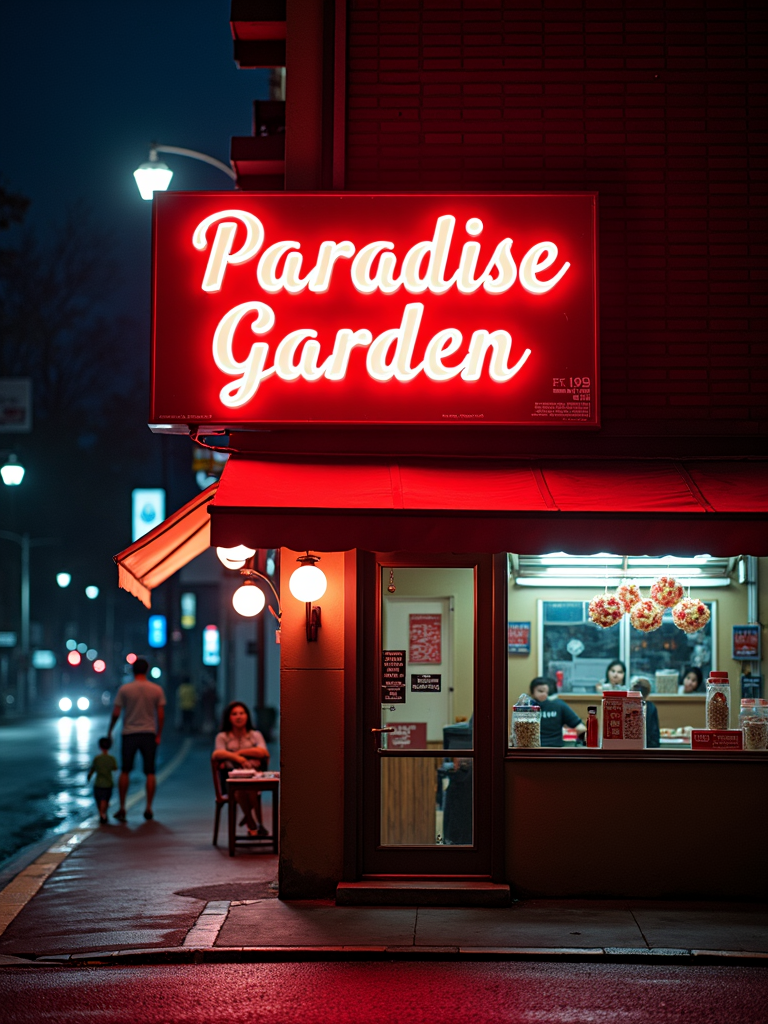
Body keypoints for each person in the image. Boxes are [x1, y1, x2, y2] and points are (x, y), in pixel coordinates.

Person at [108, 658, 166, 822]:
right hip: (148, 733)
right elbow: (160, 715)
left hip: (129, 733)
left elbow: (116, 713)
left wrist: (110, 731)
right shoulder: (156, 689)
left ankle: (122, 807)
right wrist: (159, 734)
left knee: (125, 770)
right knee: (150, 772)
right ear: (147, 670)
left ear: (133, 670)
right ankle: (148, 807)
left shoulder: (125, 689)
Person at [212, 702, 270, 836]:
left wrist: (237, 753)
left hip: (254, 779)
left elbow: (263, 752)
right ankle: (253, 822)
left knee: (250, 788)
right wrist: (240, 759)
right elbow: (217, 754)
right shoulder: (222, 737)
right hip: (230, 781)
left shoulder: (255, 735)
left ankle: (253, 823)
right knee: (239, 790)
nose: (239, 717)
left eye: (241, 713)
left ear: (247, 716)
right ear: (228, 718)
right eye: (234, 714)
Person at [530, 677, 586, 747]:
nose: (544, 694)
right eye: (541, 691)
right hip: (551, 750)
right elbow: (581, 728)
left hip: (537, 750)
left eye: (547, 692)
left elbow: (580, 728)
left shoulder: (524, 707)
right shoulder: (559, 704)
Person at [87, 736, 118, 824]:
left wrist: (88, 778)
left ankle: (101, 814)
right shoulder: (111, 759)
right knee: (105, 799)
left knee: (99, 800)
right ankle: (103, 814)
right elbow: (115, 769)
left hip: (98, 783)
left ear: (99, 746)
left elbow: (92, 770)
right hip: (108, 783)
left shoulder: (97, 758)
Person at [631, 676, 660, 748]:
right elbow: (655, 738)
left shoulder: (624, 706)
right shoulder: (651, 707)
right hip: (648, 752)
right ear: (648, 693)